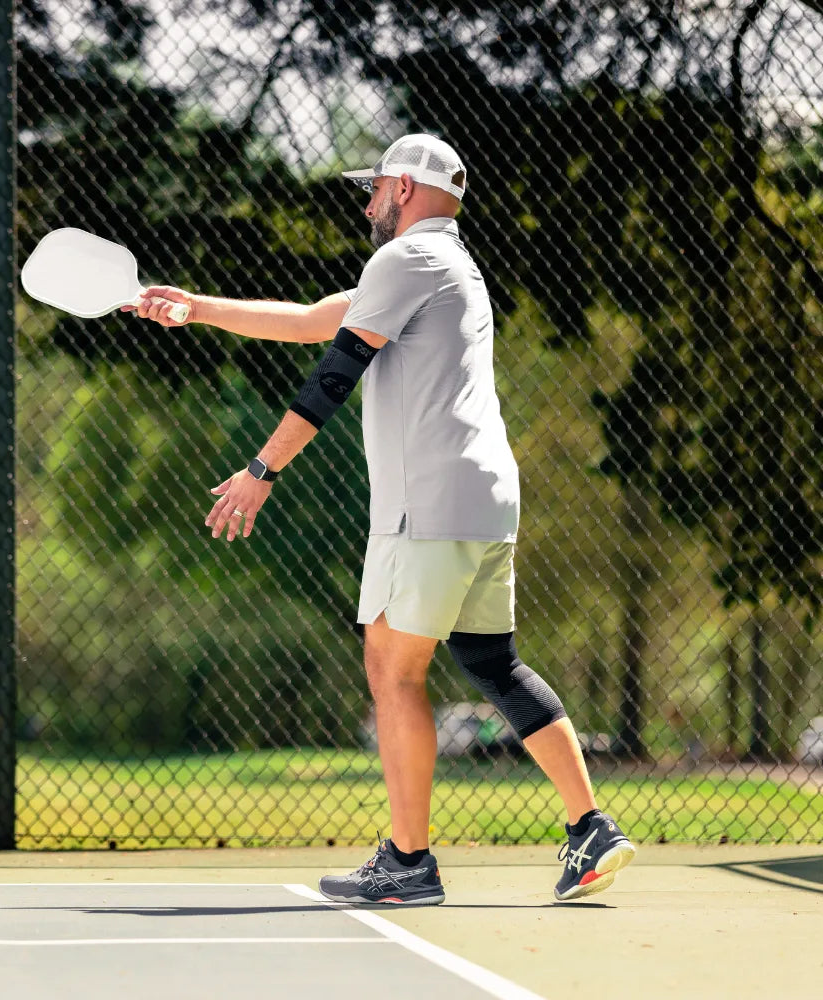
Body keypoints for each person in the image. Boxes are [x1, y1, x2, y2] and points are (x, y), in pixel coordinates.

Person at [127, 134, 636, 905]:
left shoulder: (402, 261)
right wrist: (196, 309)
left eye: (375, 188)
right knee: (492, 663)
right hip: (486, 500)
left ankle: (407, 862)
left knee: (391, 669)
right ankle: (589, 827)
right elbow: (311, 319)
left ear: (404, 188)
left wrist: (262, 469)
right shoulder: (452, 264)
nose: (368, 202)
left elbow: (334, 371)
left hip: (424, 504)